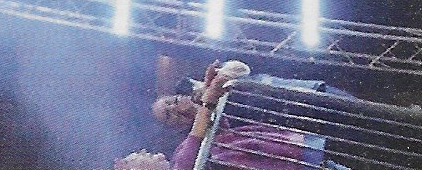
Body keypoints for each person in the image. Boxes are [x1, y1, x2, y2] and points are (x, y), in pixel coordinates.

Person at [114, 63, 352, 169]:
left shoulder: (205, 111)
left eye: (172, 102)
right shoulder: (182, 159)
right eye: (168, 116)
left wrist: (210, 91)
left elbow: (240, 71)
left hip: (297, 139)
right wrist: (210, 97)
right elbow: (196, 140)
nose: (143, 152)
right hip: (290, 157)